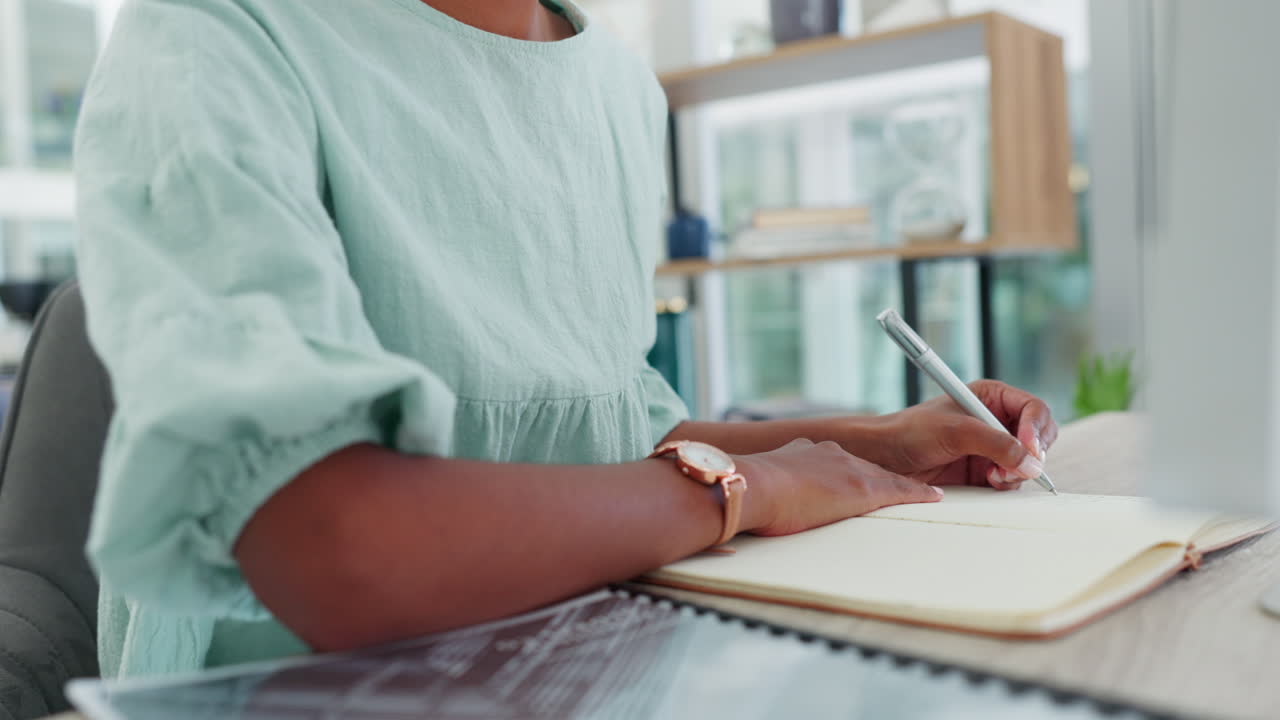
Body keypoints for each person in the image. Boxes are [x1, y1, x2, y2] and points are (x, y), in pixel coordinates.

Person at [74, 0, 1057, 679]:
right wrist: (742, 490)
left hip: (582, 667)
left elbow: (611, 437)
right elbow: (334, 547)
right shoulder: (217, 34)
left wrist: (878, 444)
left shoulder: (621, 89)